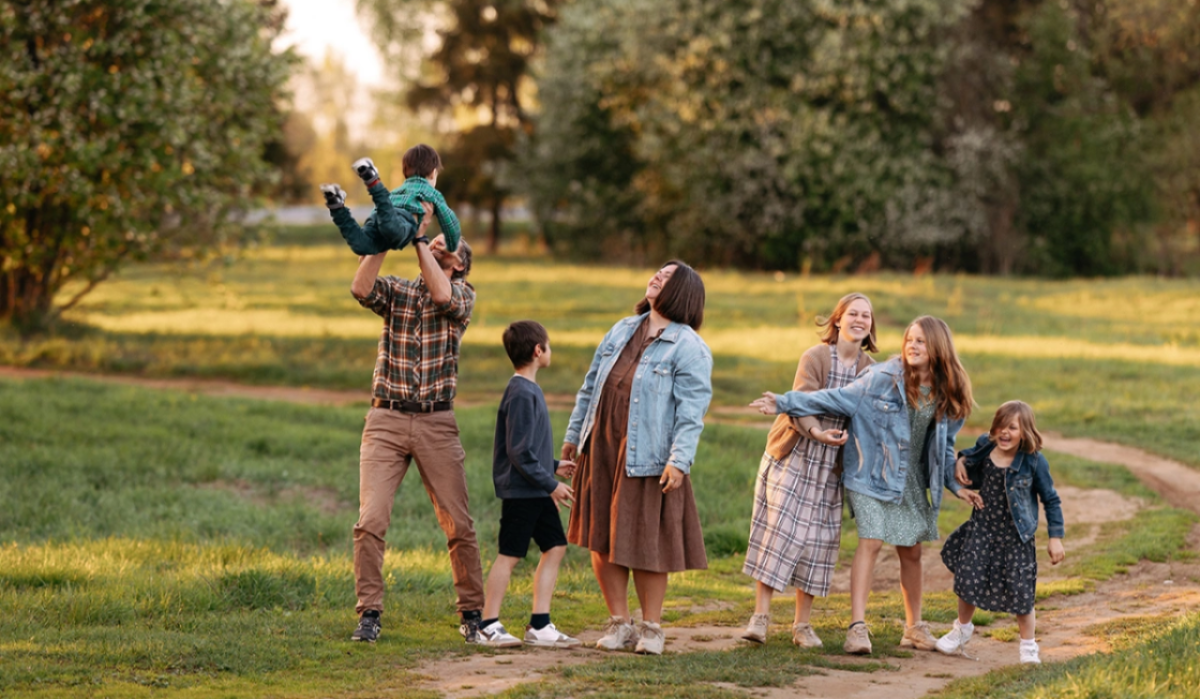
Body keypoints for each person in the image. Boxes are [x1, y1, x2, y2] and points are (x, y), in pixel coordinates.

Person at [750, 316, 980, 655]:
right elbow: (835, 398)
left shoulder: (949, 391)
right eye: (909, 339)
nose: (912, 346)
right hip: (871, 474)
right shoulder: (882, 377)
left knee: (912, 552)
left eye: (921, 341)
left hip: (911, 480)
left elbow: (944, 447)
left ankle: (913, 628)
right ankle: (857, 628)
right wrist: (784, 403)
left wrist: (955, 485)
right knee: (870, 542)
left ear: (938, 347)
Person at [347, 202, 482, 644]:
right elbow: (360, 287)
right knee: (370, 520)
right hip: (385, 419)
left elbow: (442, 296)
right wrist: (387, 237)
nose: (438, 243)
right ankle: (369, 613)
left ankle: (472, 613)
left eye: (446, 244)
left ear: (459, 264)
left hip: (436, 423)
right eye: (433, 240)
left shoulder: (463, 296)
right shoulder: (400, 291)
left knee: (458, 523)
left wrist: (421, 236)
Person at [562, 261, 712, 656]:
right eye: (658, 272)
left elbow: (691, 412)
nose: (657, 277)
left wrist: (679, 460)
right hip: (602, 446)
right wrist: (573, 437)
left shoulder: (689, 347)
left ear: (682, 292)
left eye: (668, 276)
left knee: (646, 542)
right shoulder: (621, 329)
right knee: (601, 536)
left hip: (648, 455)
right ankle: (619, 623)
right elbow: (589, 388)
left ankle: (652, 629)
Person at [740, 293, 878, 648]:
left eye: (866, 315)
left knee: (818, 541)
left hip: (831, 467)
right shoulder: (815, 357)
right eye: (853, 313)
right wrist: (818, 433)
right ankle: (760, 617)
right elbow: (799, 404)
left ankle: (802, 625)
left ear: (871, 326)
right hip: (796, 454)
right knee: (780, 531)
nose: (859, 320)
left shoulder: (870, 369)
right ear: (838, 320)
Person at [475, 320, 582, 649]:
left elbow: (528, 449)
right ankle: (487, 625)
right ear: (538, 350)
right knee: (509, 555)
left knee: (555, 546)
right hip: (523, 491)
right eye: (548, 345)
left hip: (535, 487)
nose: (550, 350)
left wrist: (553, 466)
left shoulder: (528, 389)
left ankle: (540, 625)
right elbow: (518, 452)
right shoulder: (521, 392)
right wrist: (551, 484)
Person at [937, 400, 1065, 664]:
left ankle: (1028, 645)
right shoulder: (986, 446)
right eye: (1000, 427)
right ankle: (962, 630)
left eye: (1012, 428)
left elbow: (1051, 500)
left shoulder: (1034, 462)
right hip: (982, 529)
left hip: (1016, 537)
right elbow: (969, 455)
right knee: (968, 580)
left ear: (1025, 432)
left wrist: (1055, 538)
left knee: (1021, 591)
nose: (1005, 432)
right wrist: (961, 461)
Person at [321, 144, 462, 256]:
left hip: (378, 220)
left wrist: (374, 219)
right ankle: (372, 180)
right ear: (433, 173)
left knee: (361, 246)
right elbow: (449, 221)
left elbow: (383, 206)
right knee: (389, 229)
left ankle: (337, 205)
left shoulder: (396, 191)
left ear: (405, 172)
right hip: (400, 223)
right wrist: (452, 246)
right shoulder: (431, 192)